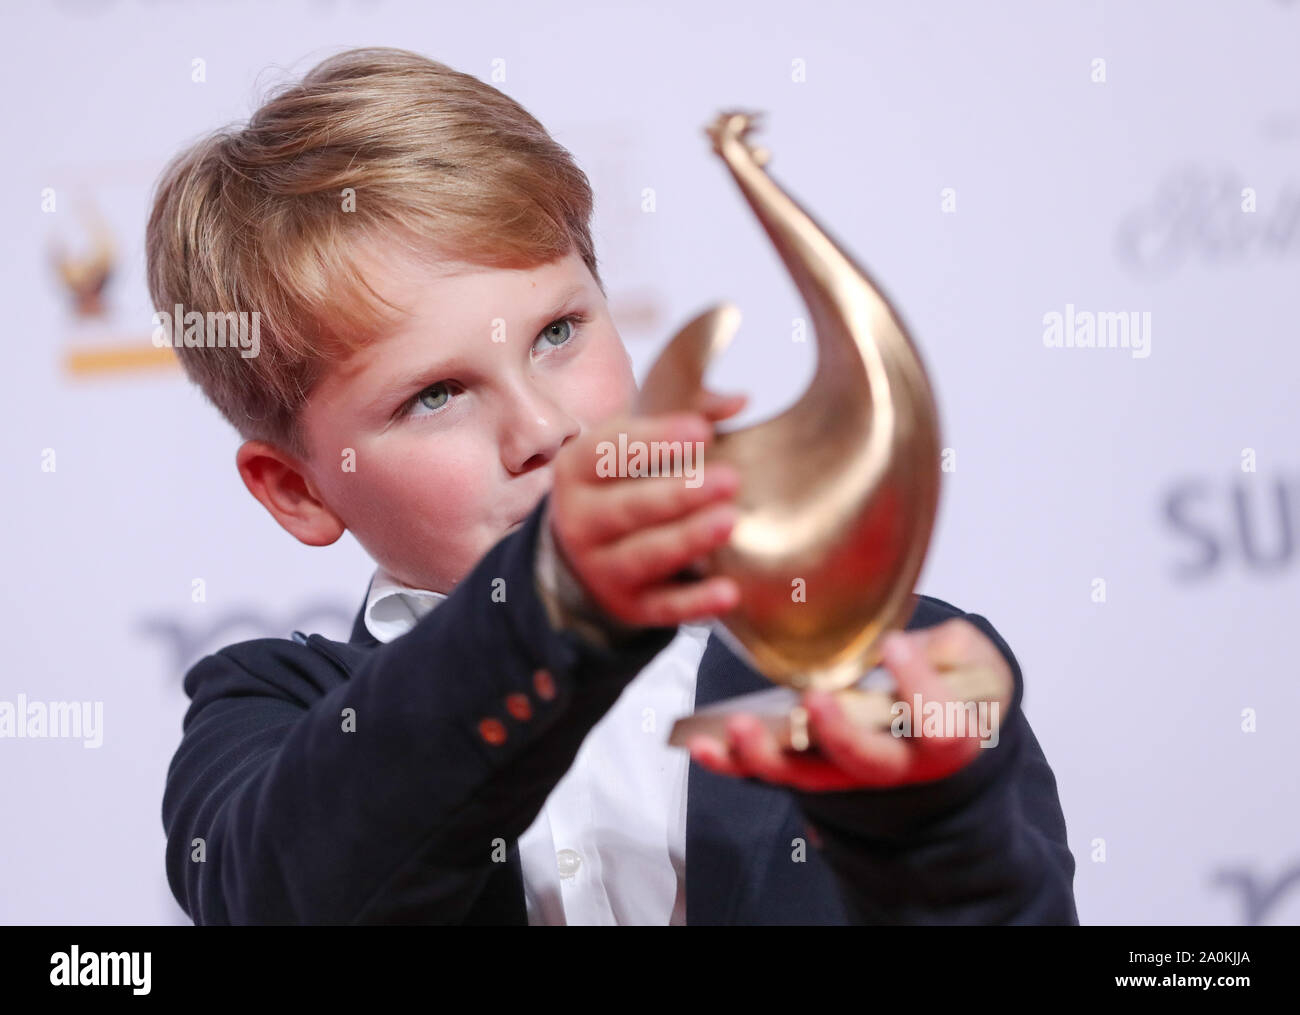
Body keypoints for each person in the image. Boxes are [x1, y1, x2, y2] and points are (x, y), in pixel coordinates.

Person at [152, 46, 1078, 925]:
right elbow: (284, 891)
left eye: (558, 333)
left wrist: (937, 827)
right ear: (297, 490)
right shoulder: (269, 714)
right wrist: (555, 601)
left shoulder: (894, 654)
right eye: (434, 395)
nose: (546, 428)